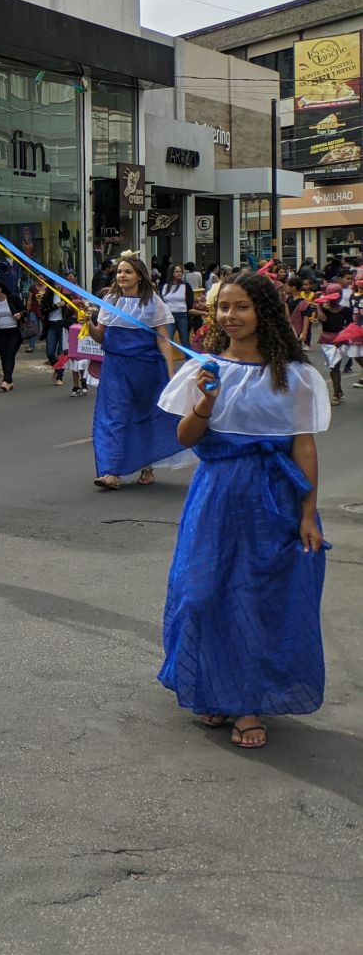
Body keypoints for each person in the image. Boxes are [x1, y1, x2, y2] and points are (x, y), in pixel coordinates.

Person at [155, 271, 329, 751]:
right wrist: (206, 401)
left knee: (256, 600)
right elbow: (185, 437)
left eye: (241, 307)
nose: (230, 316)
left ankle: (247, 704)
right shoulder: (205, 368)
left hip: (275, 498)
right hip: (217, 494)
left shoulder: (295, 376)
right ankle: (213, 683)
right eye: (223, 307)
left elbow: (304, 447)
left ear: (263, 312)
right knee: (201, 592)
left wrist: (308, 513)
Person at [88, 254, 186, 491]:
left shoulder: (153, 302)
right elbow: (100, 336)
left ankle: (146, 466)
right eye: (119, 272)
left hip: (147, 367)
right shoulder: (110, 300)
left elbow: (163, 339)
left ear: (140, 276)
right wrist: (88, 322)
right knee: (112, 416)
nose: (122, 275)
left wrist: (170, 372)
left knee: (145, 417)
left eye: (128, 272)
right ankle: (111, 472)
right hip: (115, 367)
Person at [159, 265, 194, 349]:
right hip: (169, 316)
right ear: (171, 273)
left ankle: (189, 357)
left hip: (182, 315)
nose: (179, 273)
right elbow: (162, 301)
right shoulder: (165, 286)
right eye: (177, 272)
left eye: (180, 272)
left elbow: (190, 301)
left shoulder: (185, 285)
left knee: (184, 341)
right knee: (168, 340)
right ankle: (167, 357)